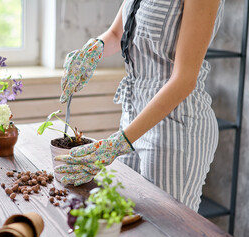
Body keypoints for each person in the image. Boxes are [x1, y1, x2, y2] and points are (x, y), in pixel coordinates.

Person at [54, 0, 224, 212]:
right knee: (129, 224)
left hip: (176, 129)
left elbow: (184, 80)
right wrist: (94, 48)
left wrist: (119, 143)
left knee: (166, 231)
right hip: (132, 122)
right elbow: (117, 34)